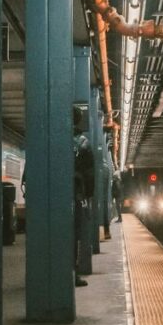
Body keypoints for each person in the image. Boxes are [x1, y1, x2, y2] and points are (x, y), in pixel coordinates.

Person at [73, 107, 94, 287]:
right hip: (75, 195)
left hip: (51, 196)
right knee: (74, 235)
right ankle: (73, 273)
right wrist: (89, 195)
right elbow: (90, 174)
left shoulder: (51, 135)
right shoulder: (83, 143)